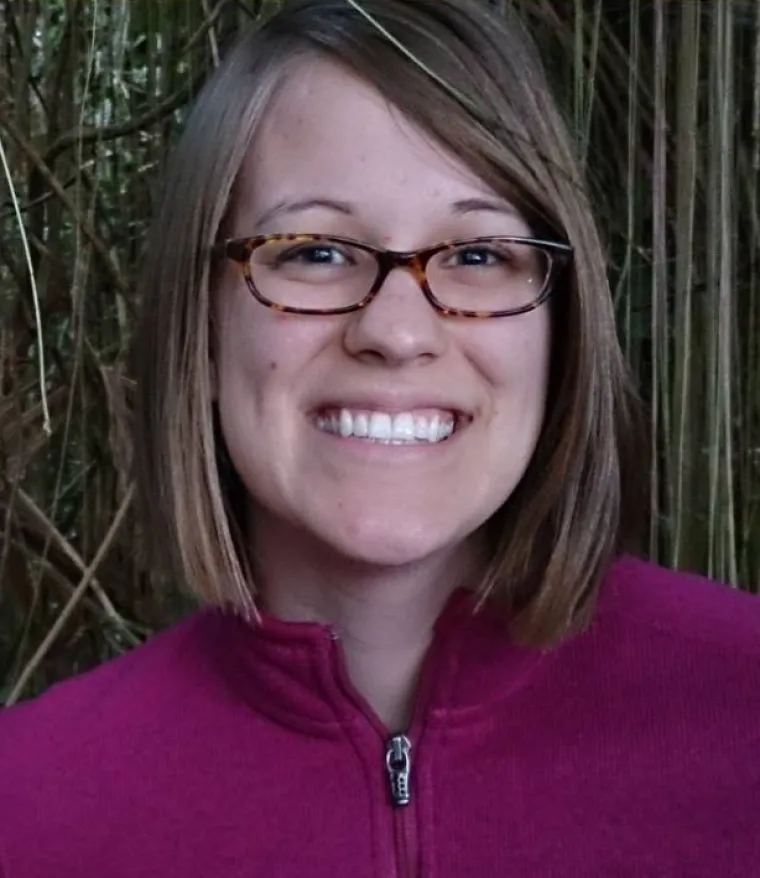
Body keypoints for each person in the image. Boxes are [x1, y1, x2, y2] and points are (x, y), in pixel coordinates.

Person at [1, 0, 759, 874]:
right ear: (199, 323)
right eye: (316, 252)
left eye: (478, 255)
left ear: (563, 326)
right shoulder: (30, 810)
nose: (398, 332)